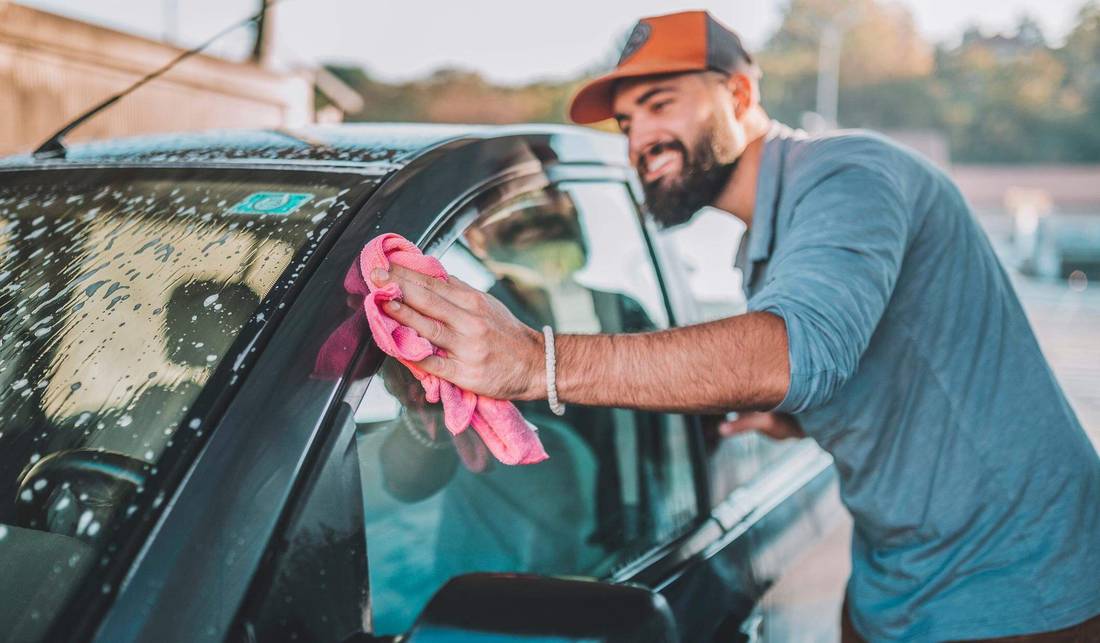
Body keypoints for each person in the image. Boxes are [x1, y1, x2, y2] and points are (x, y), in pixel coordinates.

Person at [368, 10, 1100, 642]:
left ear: (741, 92)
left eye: (661, 104)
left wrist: (534, 359)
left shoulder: (851, 173)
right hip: (892, 582)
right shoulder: (771, 244)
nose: (639, 141)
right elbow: (878, 365)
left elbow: (794, 351)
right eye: (628, 123)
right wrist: (802, 420)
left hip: (1015, 585)